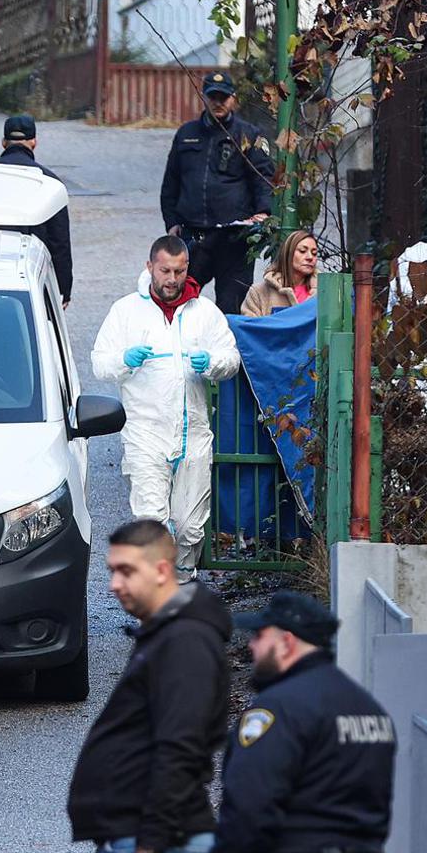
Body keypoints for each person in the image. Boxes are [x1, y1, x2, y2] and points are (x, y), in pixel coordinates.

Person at [66, 520, 231, 853]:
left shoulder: (185, 642)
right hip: (134, 842)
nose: (113, 585)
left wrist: (150, 851)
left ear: (161, 570)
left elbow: (180, 749)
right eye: (111, 571)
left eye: (126, 571)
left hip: (153, 848)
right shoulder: (166, 634)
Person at [205, 591, 403, 853]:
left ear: (287, 643)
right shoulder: (369, 710)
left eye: (259, 636)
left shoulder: (277, 710)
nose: (251, 646)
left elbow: (250, 808)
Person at [90, 235, 241, 572]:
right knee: (152, 524)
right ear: (150, 267)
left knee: (189, 528)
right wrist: (124, 360)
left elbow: (231, 358)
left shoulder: (204, 312)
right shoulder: (126, 311)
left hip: (193, 436)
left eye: (179, 271)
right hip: (144, 435)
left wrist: (213, 363)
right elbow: (100, 362)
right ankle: (160, 596)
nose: (172, 279)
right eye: (165, 271)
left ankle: (182, 583)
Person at [159, 72, 276, 315]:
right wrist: (171, 222)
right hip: (193, 236)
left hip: (234, 239)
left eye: (224, 97)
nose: (218, 102)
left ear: (233, 99)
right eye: (213, 97)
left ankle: (228, 342)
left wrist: (264, 212)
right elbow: (171, 183)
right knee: (177, 305)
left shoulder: (249, 135)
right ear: (204, 98)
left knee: (232, 310)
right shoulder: (186, 134)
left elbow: (263, 179)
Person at [0, 113, 74, 307]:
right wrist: (63, 290)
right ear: (34, 142)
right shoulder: (48, 182)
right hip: (30, 275)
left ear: (3, 142)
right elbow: (60, 242)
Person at [240, 228, 321, 317]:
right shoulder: (259, 292)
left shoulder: (324, 292)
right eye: (302, 251)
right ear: (288, 254)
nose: (310, 257)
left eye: (314, 253)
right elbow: (250, 324)